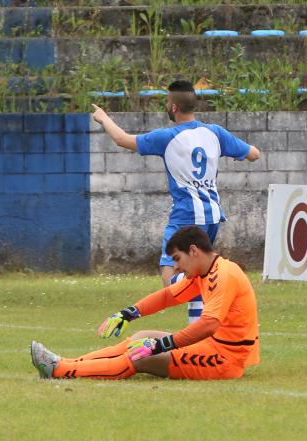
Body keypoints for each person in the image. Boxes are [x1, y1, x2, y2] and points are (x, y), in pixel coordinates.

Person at [91, 80, 260, 324]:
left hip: (186, 217)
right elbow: (253, 154)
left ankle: (220, 296)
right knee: (195, 272)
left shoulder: (167, 137)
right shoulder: (215, 133)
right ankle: (205, 319)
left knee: (171, 279)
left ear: (173, 108)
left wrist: (103, 117)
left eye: (166, 103)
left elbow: (122, 139)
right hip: (212, 217)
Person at [30, 226, 260, 380]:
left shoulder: (224, 274)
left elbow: (208, 325)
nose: (177, 267)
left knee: (142, 356)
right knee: (141, 338)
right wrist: (129, 313)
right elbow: (168, 296)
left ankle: (60, 370)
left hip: (225, 359)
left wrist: (162, 345)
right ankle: (68, 362)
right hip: (212, 346)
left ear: (194, 251)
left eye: (178, 259)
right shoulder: (203, 273)